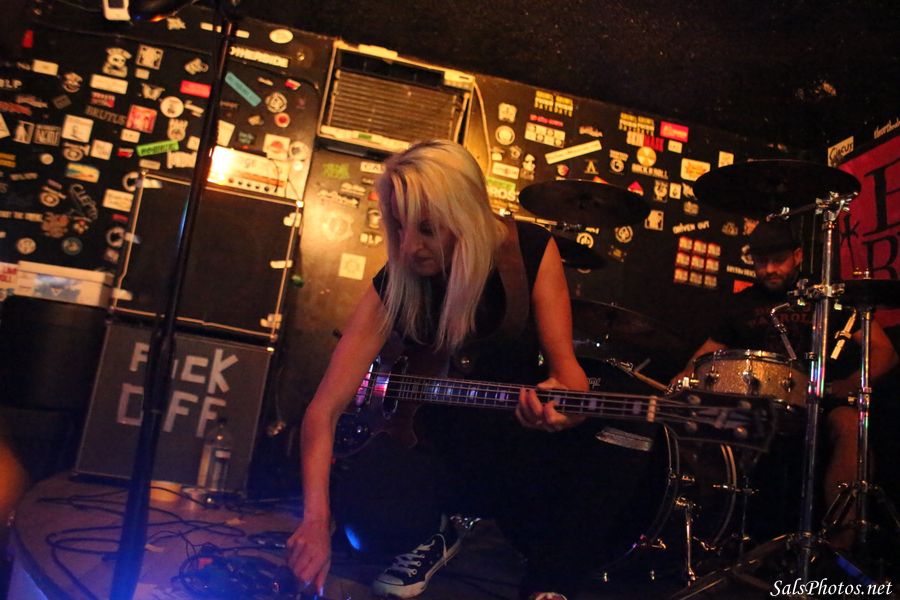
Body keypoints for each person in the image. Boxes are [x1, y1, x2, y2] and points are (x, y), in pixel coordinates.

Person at [287, 140, 645, 600]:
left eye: (427, 229)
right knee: (367, 524)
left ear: (466, 214)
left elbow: (569, 377)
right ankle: (436, 530)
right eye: (399, 227)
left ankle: (549, 581)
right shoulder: (396, 280)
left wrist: (565, 410)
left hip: (511, 448)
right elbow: (323, 409)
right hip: (429, 450)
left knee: (619, 433)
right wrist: (315, 522)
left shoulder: (531, 251)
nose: (409, 246)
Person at [672, 219, 898, 540]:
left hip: (819, 401)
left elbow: (884, 351)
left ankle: (841, 544)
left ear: (798, 256)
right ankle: (709, 537)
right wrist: (684, 375)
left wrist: (847, 385)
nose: (769, 269)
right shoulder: (741, 304)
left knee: (850, 424)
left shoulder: (826, 297)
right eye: (760, 262)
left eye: (778, 260)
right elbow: (705, 355)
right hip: (755, 406)